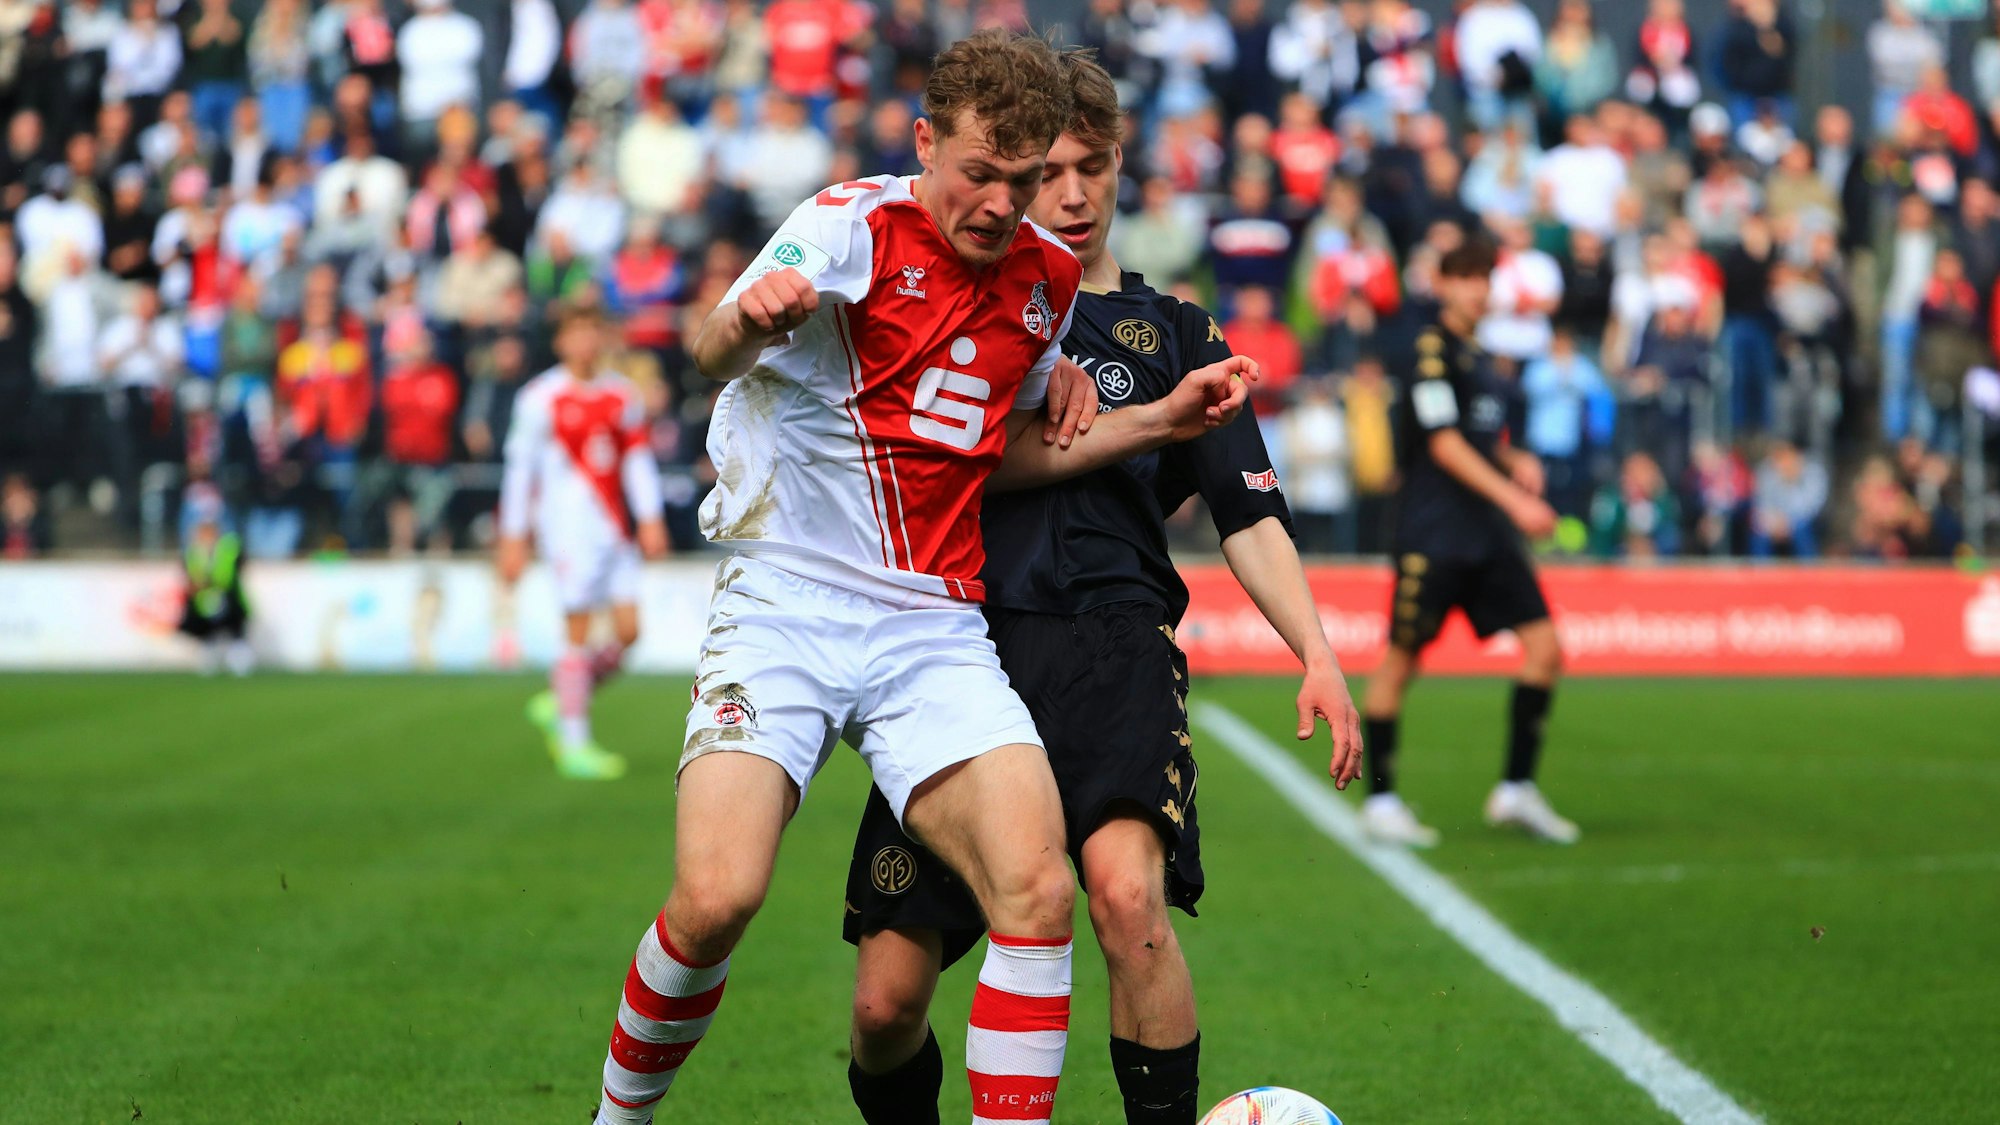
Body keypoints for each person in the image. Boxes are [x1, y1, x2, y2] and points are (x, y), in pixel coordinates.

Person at [582, 31, 1254, 1125]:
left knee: (1036, 891)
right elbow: (708, 352)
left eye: (1023, 178)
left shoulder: (1041, 281)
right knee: (716, 899)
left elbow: (1002, 452)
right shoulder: (849, 225)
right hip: (787, 602)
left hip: (930, 626)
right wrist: (743, 323)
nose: (1000, 203)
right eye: (978, 173)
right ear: (924, 143)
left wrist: (1152, 421)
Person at [837, 51, 1362, 1125]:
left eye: (1092, 167)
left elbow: (1248, 511)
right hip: (955, 650)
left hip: (1114, 651)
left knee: (1126, 901)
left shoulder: (1175, 333)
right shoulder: (959, 309)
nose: (1070, 196)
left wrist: (1317, 654)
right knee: (887, 1003)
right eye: (1048, 174)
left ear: (1122, 165)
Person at [1359, 239, 1577, 848]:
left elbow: (1475, 438)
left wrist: (1513, 457)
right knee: (1401, 662)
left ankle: (1516, 789)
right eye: (1465, 277)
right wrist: (1518, 501)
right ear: (1444, 284)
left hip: (1485, 532)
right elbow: (1444, 443)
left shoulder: (1480, 354)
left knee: (1545, 648)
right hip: (1435, 531)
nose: (1478, 288)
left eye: (1485, 277)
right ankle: (1380, 801)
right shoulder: (1430, 349)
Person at [496, 304, 667, 780]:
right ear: (560, 341)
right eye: (576, 332)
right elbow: (519, 470)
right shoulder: (539, 397)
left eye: (593, 331)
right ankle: (573, 743)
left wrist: (650, 518)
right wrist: (514, 535)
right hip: (567, 528)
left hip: (614, 528)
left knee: (629, 632)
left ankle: (562, 697)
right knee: (577, 628)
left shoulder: (620, 394)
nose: (586, 342)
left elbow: (636, 459)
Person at [177, 494, 253, 677]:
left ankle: (239, 662)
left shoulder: (229, 546)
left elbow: (233, 572)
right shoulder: (193, 552)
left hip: (229, 598)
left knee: (236, 630)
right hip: (204, 602)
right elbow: (190, 579)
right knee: (204, 631)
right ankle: (208, 659)